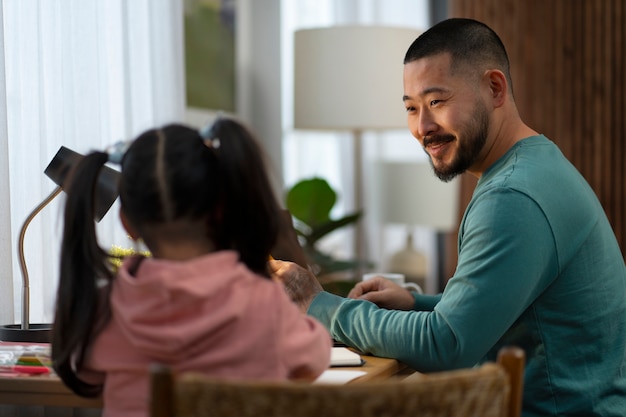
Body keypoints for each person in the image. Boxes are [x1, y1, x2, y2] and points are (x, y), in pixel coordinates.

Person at [272, 18, 626, 417]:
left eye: (437, 102)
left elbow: (446, 345)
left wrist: (318, 305)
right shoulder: (535, 166)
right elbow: (512, 307)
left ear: (495, 88)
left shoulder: (512, 195)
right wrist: (416, 304)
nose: (422, 127)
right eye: (411, 108)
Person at [52, 119, 332, 417]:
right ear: (221, 211)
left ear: (128, 224)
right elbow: (313, 360)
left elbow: (86, 375)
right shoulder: (263, 301)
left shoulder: (106, 309)